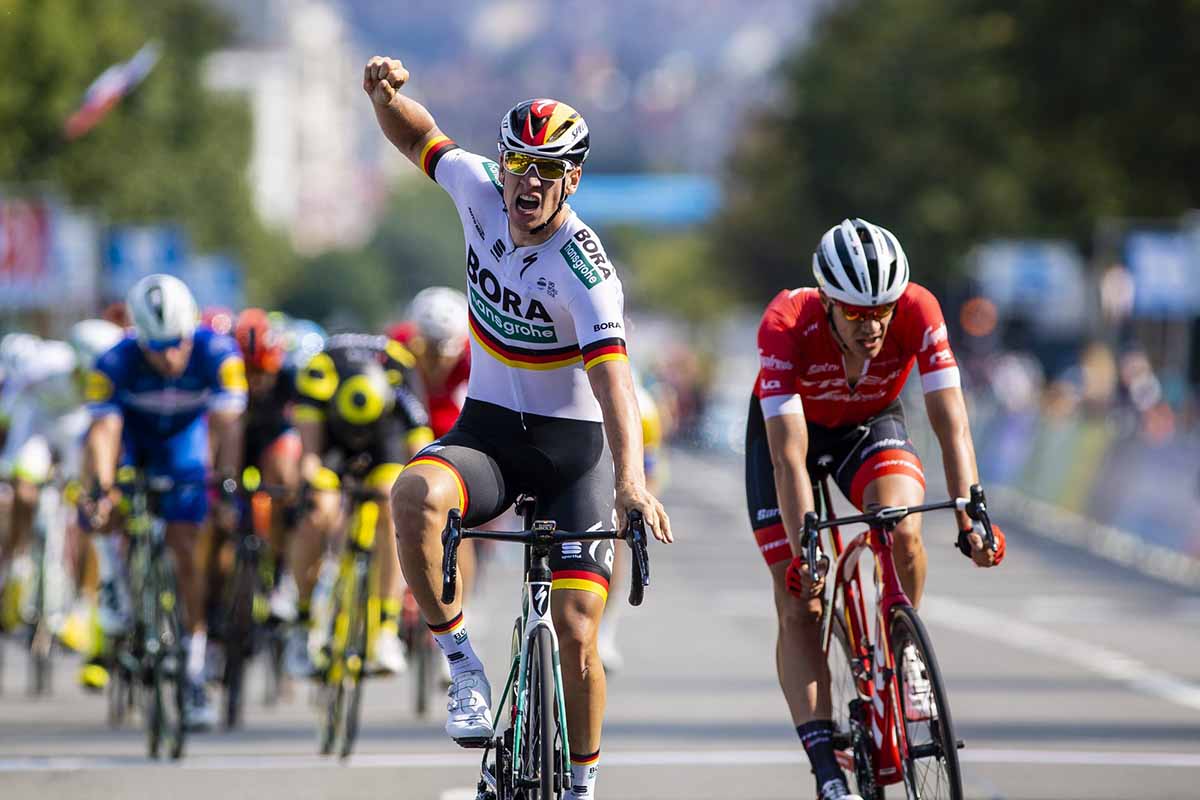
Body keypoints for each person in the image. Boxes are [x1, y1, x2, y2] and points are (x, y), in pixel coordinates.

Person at [365, 56, 673, 800]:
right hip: (491, 436)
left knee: (576, 630)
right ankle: (462, 666)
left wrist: (631, 482)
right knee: (412, 495)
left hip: (573, 457)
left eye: (548, 170)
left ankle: (581, 786)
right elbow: (419, 137)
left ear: (572, 180)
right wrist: (383, 97)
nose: (527, 182)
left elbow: (614, 381)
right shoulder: (478, 188)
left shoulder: (586, 272)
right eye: (518, 165)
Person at [744, 218, 1006, 800]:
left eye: (883, 310)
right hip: (789, 436)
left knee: (903, 525)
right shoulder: (786, 321)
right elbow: (788, 459)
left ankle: (904, 649)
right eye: (857, 314)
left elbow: (952, 423)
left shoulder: (919, 309)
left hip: (868, 426)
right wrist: (807, 546)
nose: (874, 325)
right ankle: (826, 770)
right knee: (800, 603)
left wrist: (972, 514)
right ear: (828, 303)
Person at [80, 274, 247, 730]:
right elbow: (103, 432)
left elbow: (228, 426)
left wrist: (225, 485)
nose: (169, 356)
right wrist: (102, 489)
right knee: (101, 499)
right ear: (138, 336)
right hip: (132, 441)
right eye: (157, 346)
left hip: (183, 444)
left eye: (177, 343)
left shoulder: (220, 353)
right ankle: (113, 580)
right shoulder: (113, 360)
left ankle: (193, 667)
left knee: (186, 546)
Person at [284, 332, 433, 677]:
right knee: (317, 510)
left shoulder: (400, 370)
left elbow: (421, 451)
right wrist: (313, 487)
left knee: (391, 508)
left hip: (385, 440)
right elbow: (309, 456)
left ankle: (386, 629)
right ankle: (302, 623)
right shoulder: (320, 371)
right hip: (331, 440)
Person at [0, 323, 124, 636]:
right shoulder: (43, 365)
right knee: (25, 492)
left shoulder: (111, 379)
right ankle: (14, 565)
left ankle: (84, 599)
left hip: (74, 427)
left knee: (87, 507)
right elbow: (9, 410)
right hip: (36, 421)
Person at [232, 308, 303, 599]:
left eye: (263, 373)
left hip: (272, 441)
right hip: (240, 444)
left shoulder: (289, 377)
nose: (255, 382)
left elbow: (303, 429)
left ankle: (280, 564)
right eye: (248, 373)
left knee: (283, 471)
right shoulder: (224, 376)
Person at [387, 286, 471, 439]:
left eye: (442, 351)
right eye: (429, 348)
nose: (436, 359)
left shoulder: (469, 357)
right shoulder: (396, 348)